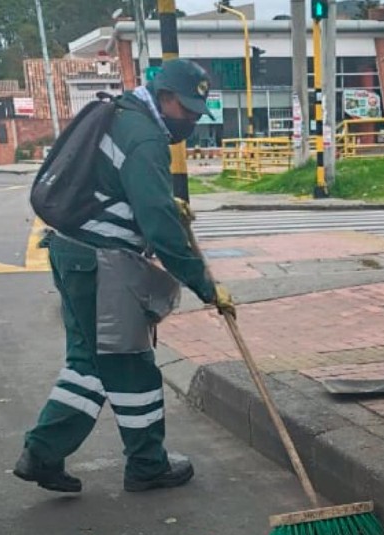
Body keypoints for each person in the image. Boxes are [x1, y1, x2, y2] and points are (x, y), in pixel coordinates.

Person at [14, 59, 235, 494]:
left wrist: (170, 206)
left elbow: (125, 189)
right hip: (103, 264)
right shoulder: (146, 137)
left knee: (89, 364)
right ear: (164, 96)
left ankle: (41, 453)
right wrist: (207, 288)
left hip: (72, 253)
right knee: (130, 365)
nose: (190, 119)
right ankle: (148, 465)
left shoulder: (123, 115)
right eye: (186, 109)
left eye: (196, 112)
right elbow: (159, 229)